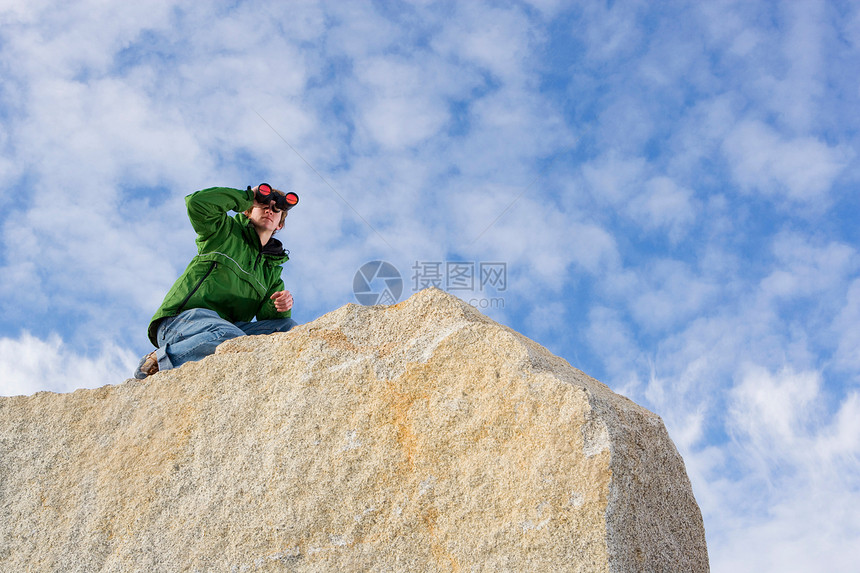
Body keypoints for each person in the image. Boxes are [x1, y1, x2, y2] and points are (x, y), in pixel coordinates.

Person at [134, 183, 299, 379]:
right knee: (230, 337)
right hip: (180, 321)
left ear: (280, 224)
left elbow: (270, 321)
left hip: (223, 330)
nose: (269, 210)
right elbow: (196, 203)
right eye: (263, 205)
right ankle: (160, 360)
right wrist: (247, 196)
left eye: (276, 209)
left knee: (287, 328)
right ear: (248, 211)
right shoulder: (223, 232)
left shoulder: (271, 271)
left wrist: (281, 305)